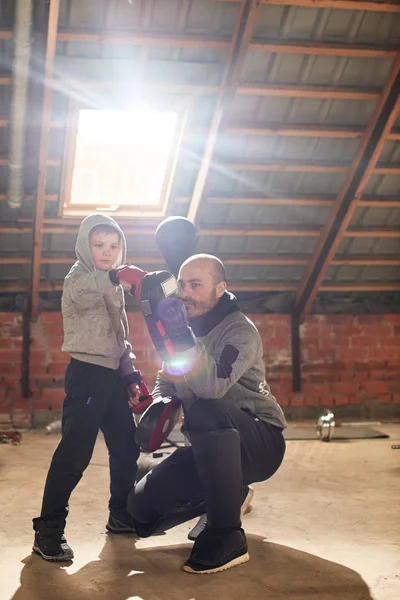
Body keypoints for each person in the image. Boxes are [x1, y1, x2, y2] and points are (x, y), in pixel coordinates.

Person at [127, 253, 287, 574]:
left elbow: (211, 388)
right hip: (211, 446)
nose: (185, 293)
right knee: (139, 511)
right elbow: (168, 376)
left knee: (206, 410)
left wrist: (181, 335)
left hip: (260, 441)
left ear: (220, 288)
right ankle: (232, 492)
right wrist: (157, 402)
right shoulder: (186, 327)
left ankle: (227, 534)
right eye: (182, 284)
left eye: (196, 285)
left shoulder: (239, 331)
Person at [32, 213, 144, 562]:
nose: (107, 252)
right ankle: (48, 531)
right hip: (87, 376)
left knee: (126, 448)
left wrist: (130, 374)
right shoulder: (79, 277)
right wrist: (113, 276)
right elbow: (82, 296)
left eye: (114, 246)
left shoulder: (113, 287)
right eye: (99, 245)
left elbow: (119, 335)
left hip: (112, 377)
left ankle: (120, 514)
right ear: (85, 246)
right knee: (75, 455)